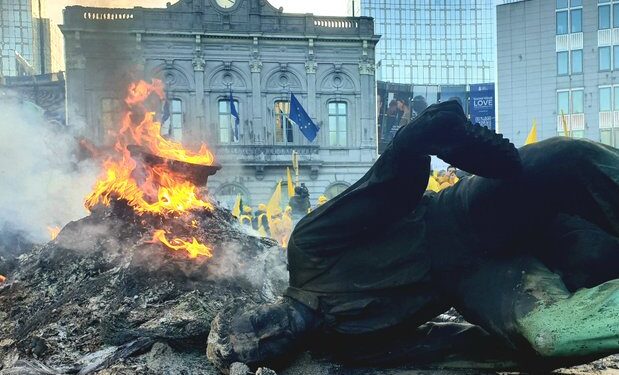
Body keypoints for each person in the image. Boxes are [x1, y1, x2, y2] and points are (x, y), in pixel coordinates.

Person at [208, 100, 619, 372]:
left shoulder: (306, 249)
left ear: (260, 307)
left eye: (257, 324)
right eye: (263, 346)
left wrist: (413, 143)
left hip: (463, 215)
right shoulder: (348, 344)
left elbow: (386, 192)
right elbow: (444, 348)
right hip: (480, 282)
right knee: (554, 335)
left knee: (564, 160)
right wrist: (515, 349)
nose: (271, 333)